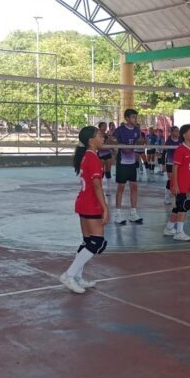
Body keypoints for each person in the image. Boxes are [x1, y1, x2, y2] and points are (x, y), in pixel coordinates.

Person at [60, 126, 109, 294]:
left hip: (83, 202)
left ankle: (77, 277)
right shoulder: (92, 158)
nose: (102, 137)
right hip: (90, 204)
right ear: (90, 140)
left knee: (87, 242)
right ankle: (69, 274)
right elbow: (96, 185)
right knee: (97, 242)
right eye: (99, 135)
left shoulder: (88, 156)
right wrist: (105, 208)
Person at [164, 124, 190, 242]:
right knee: (184, 206)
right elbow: (175, 168)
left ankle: (169, 228)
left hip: (187, 184)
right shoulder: (180, 150)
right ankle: (179, 232)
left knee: (178, 206)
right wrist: (174, 185)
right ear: (184, 135)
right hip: (179, 184)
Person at [113, 108, 143, 224]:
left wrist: (138, 143)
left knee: (134, 187)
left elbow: (139, 141)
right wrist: (120, 147)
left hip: (132, 162)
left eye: (136, 117)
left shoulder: (137, 130)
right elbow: (113, 142)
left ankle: (133, 213)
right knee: (121, 187)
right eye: (133, 117)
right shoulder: (119, 130)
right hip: (122, 162)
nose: (135, 119)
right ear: (126, 118)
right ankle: (118, 214)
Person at [163, 125, 181, 204]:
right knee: (171, 180)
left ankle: (178, 197)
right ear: (172, 132)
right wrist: (163, 164)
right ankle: (166, 197)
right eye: (176, 131)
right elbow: (164, 152)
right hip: (170, 163)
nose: (178, 133)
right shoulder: (168, 141)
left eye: (178, 131)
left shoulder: (181, 141)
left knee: (178, 180)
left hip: (179, 164)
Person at [97, 121, 114, 193]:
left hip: (108, 153)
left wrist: (110, 138)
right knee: (101, 170)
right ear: (100, 127)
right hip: (101, 154)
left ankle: (109, 186)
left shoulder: (108, 135)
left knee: (108, 169)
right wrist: (108, 140)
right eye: (103, 126)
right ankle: (99, 186)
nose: (105, 127)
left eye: (105, 126)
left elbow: (111, 143)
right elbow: (100, 145)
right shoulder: (97, 135)